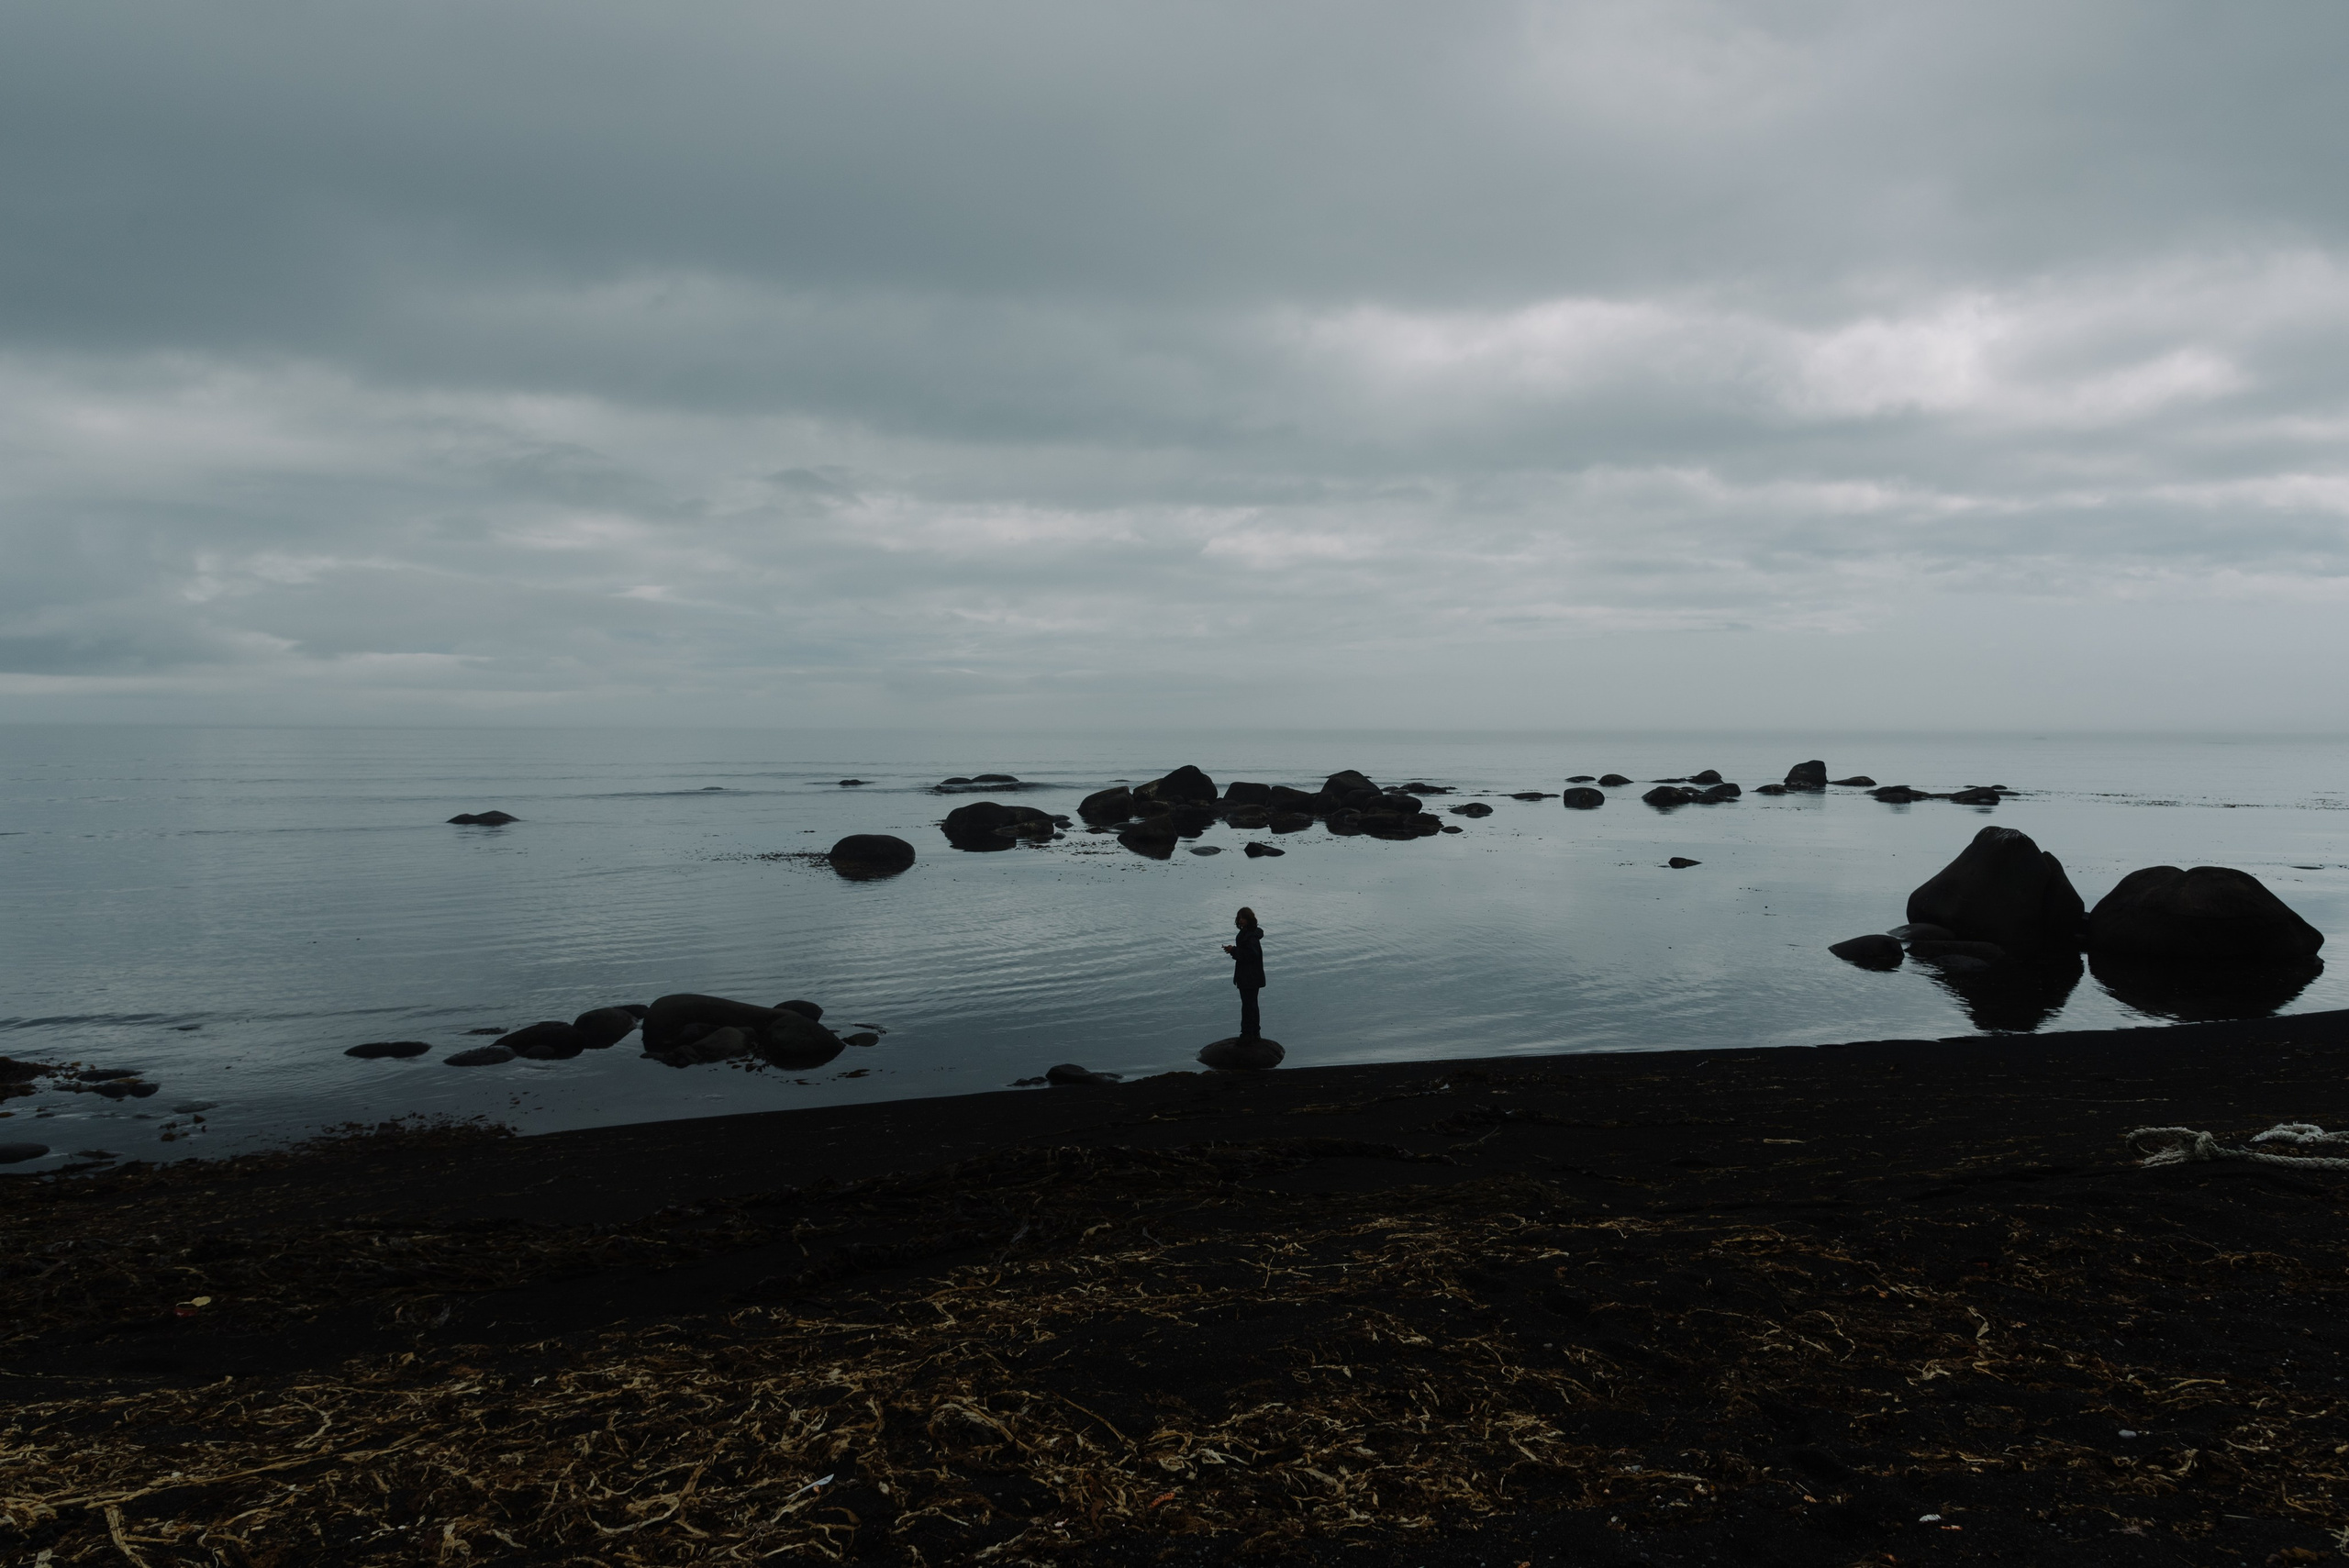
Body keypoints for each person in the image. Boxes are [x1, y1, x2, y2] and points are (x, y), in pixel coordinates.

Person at [1221, 906, 1265, 1039]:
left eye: (1243, 918)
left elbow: (1251, 955)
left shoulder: (1250, 936)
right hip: (1250, 976)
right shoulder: (1250, 934)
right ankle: (1252, 1032)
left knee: (1248, 1005)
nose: (1240, 921)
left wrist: (1233, 950)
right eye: (1239, 918)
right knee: (1250, 1005)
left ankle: (1248, 1033)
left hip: (1249, 977)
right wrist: (1234, 951)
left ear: (1249, 919)